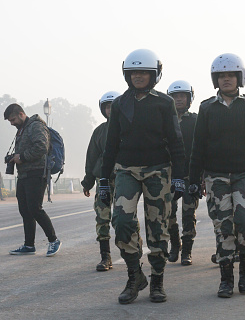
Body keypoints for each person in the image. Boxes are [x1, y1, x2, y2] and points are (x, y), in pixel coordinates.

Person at [99, 49, 185, 304]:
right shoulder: (120, 104)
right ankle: (134, 274)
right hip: (126, 169)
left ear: (154, 75)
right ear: (127, 75)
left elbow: (176, 142)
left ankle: (157, 279)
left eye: (143, 72)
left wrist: (180, 177)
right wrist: (104, 180)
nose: (138, 77)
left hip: (159, 169)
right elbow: (111, 144)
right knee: (122, 220)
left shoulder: (164, 103)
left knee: (157, 227)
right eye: (133, 72)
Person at [189, 53, 245, 298]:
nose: (226, 79)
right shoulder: (207, 108)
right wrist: (194, 181)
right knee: (223, 227)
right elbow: (198, 147)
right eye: (222, 76)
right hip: (215, 177)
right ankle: (226, 279)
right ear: (216, 79)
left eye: (231, 75)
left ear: (240, 78)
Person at [4, 103, 61, 257]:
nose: (12, 123)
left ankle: (53, 240)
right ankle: (29, 245)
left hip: (36, 173)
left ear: (22, 114)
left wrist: (21, 157)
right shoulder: (22, 129)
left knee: (35, 208)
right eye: (10, 121)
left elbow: (41, 147)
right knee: (25, 210)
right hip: (24, 174)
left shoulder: (36, 126)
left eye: (13, 119)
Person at [81, 91, 120, 271]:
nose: (110, 110)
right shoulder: (99, 131)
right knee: (102, 217)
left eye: (113, 106)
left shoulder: (129, 129)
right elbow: (92, 157)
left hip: (124, 179)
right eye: (107, 107)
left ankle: (131, 254)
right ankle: (105, 257)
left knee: (123, 219)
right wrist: (88, 182)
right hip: (103, 181)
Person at [166, 80, 199, 265]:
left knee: (188, 214)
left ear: (189, 99)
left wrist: (200, 176)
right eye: (175, 96)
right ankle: (174, 245)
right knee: (168, 213)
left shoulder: (195, 121)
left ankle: (187, 250)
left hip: (189, 175)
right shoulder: (164, 120)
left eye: (182, 96)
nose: (178, 99)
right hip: (169, 176)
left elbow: (202, 148)